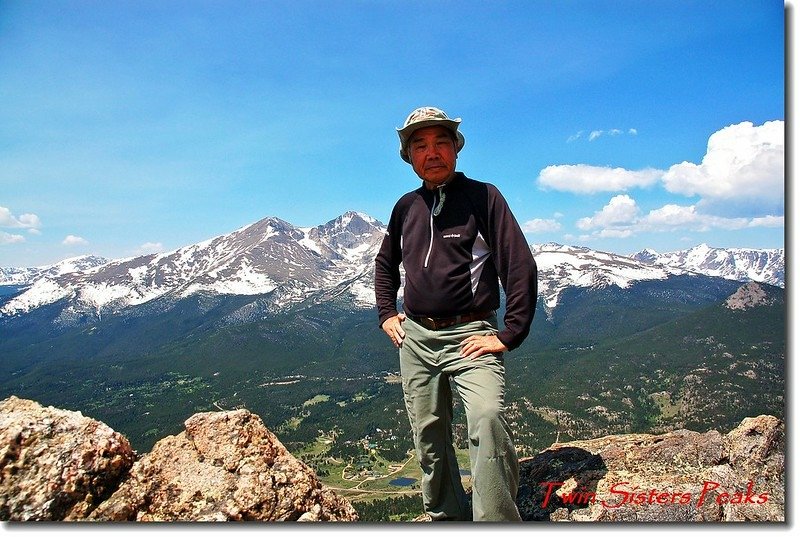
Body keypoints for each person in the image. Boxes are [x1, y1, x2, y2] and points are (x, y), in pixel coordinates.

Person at [374, 106, 538, 521]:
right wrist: (386, 313)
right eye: (420, 146)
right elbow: (384, 262)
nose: (432, 153)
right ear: (409, 157)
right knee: (428, 434)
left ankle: (495, 521)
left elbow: (519, 264)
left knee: (486, 418)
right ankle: (446, 518)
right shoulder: (406, 207)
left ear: (456, 149)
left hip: (470, 335)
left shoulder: (483, 197)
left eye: (441, 142)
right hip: (416, 338)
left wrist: (508, 333)